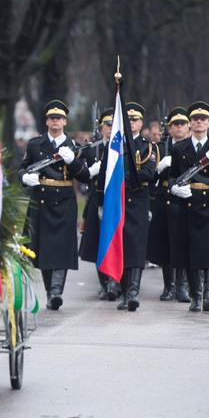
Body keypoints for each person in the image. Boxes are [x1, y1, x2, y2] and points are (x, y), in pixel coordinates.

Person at [20, 99, 92, 310]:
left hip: (65, 199)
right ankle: (50, 292)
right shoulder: (35, 144)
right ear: (46, 121)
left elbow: (86, 177)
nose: (55, 122)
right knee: (43, 248)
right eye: (52, 118)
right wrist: (25, 178)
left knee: (61, 247)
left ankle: (56, 291)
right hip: (42, 198)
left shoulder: (73, 146)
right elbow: (23, 168)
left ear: (65, 121)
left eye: (59, 118)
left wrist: (74, 161)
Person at [167, 101, 209, 312]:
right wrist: (175, 189)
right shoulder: (179, 148)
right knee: (192, 252)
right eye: (195, 119)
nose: (199, 122)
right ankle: (196, 296)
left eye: (203, 119)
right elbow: (172, 177)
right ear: (190, 123)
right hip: (189, 203)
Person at [114, 101, 158, 311]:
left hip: (138, 201)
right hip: (118, 201)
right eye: (128, 120)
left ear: (141, 123)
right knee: (121, 246)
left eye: (136, 120)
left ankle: (133, 292)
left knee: (136, 246)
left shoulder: (149, 147)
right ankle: (124, 293)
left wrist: (125, 178)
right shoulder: (114, 146)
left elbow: (148, 174)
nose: (132, 123)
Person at [148, 107, 192, 302]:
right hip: (164, 199)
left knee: (182, 244)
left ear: (188, 126)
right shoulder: (158, 148)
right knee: (166, 244)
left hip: (184, 199)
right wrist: (159, 169)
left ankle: (182, 286)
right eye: (175, 124)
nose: (179, 127)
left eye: (182, 124)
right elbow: (149, 177)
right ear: (170, 128)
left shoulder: (193, 147)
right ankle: (169, 286)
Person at [79, 107, 117, 300]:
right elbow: (82, 178)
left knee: (116, 241)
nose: (110, 128)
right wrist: (90, 171)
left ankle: (115, 282)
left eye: (113, 124)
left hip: (117, 200)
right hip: (97, 198)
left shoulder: (122, 148)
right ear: (101, 127)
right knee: (98, 243)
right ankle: (104, 282)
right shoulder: (93, 149)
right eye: (107, 125)